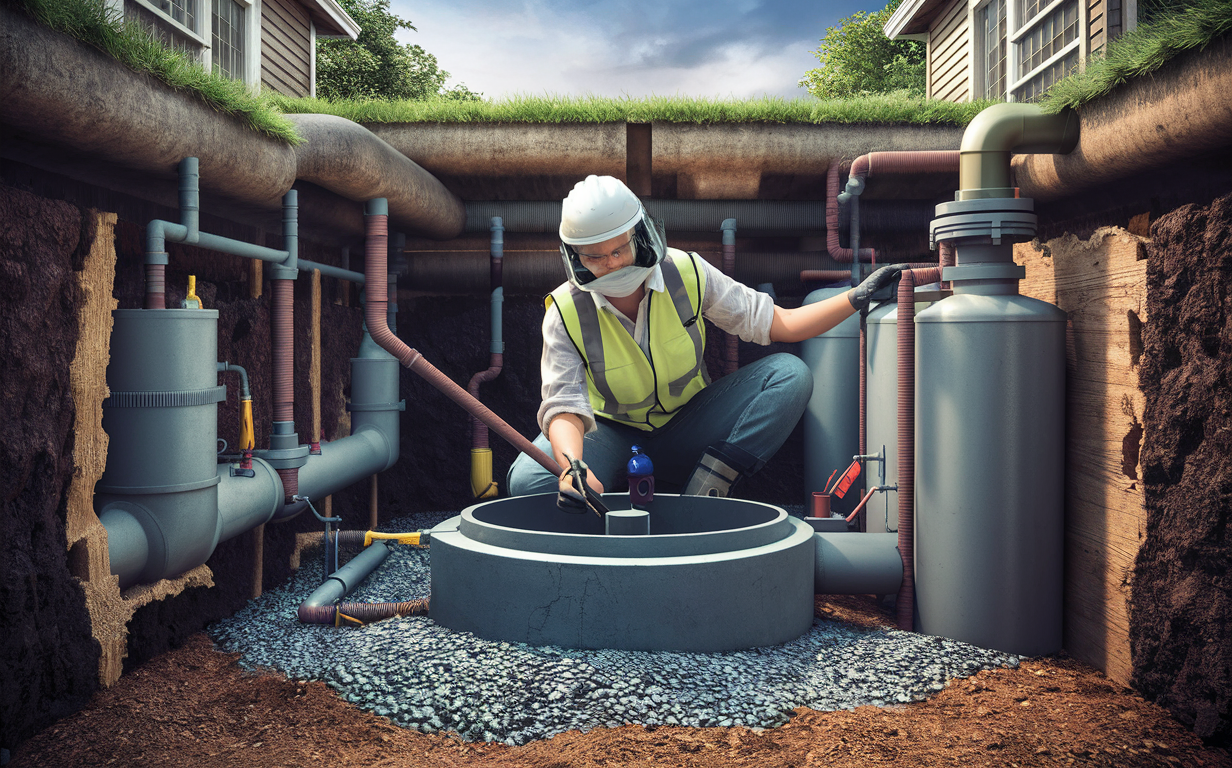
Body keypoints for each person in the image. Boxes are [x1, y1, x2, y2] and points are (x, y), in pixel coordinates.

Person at [506, 175, 903, 506]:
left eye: (619, 248)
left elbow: (781, 323)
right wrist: (574, 466)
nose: (611, 263)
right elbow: (564, 406)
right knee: (528, 481)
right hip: (611, 436)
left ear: (639, 233)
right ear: (573, 255)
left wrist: (855, 298)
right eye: (594, 256)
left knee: (789, 374)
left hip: (690, 430)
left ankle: (702, 497)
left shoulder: (686, 271)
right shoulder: (564, 310)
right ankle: (604, 511)